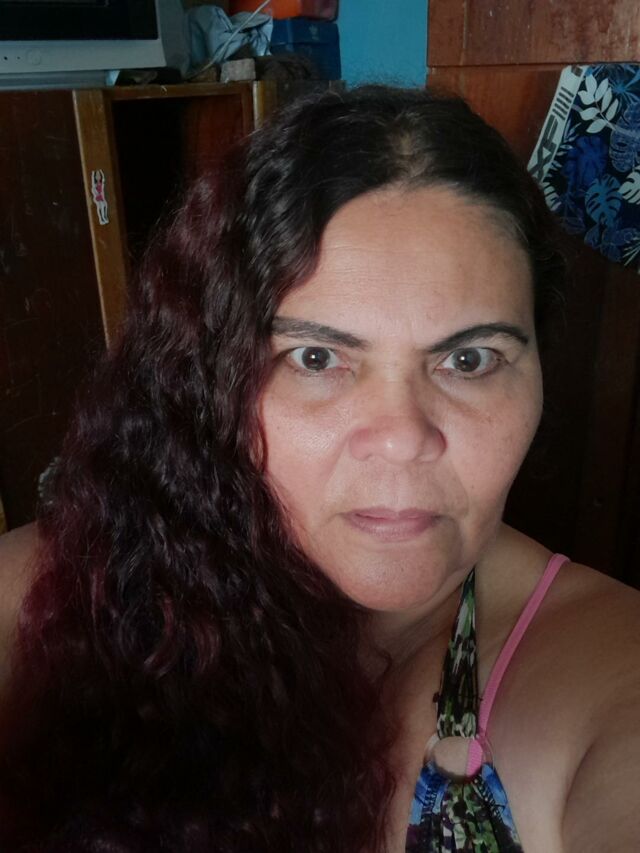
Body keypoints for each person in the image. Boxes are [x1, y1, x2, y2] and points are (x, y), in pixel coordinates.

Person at [0, 85, 638, 853]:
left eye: (469, 360)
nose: (401, 438)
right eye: (315, 357)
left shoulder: (601, 668)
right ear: (212, 381)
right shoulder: (82, 584)